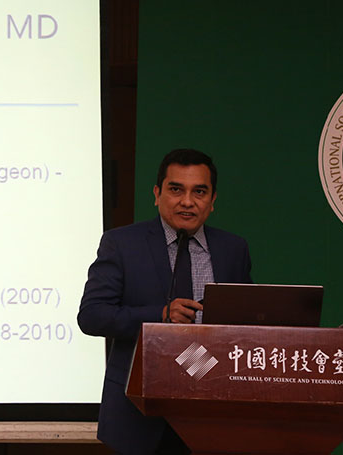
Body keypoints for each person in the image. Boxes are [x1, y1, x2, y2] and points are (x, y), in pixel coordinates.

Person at [78, 148, 253, 455]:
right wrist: (160, 315)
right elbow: (92, 315)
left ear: (213, 200)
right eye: (176, 189)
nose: (187, 201)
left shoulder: (232, 249)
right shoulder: (122, 244)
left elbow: (246, 321)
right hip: (140, 415)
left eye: (199, 192)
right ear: (157, 194)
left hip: (211, 410)